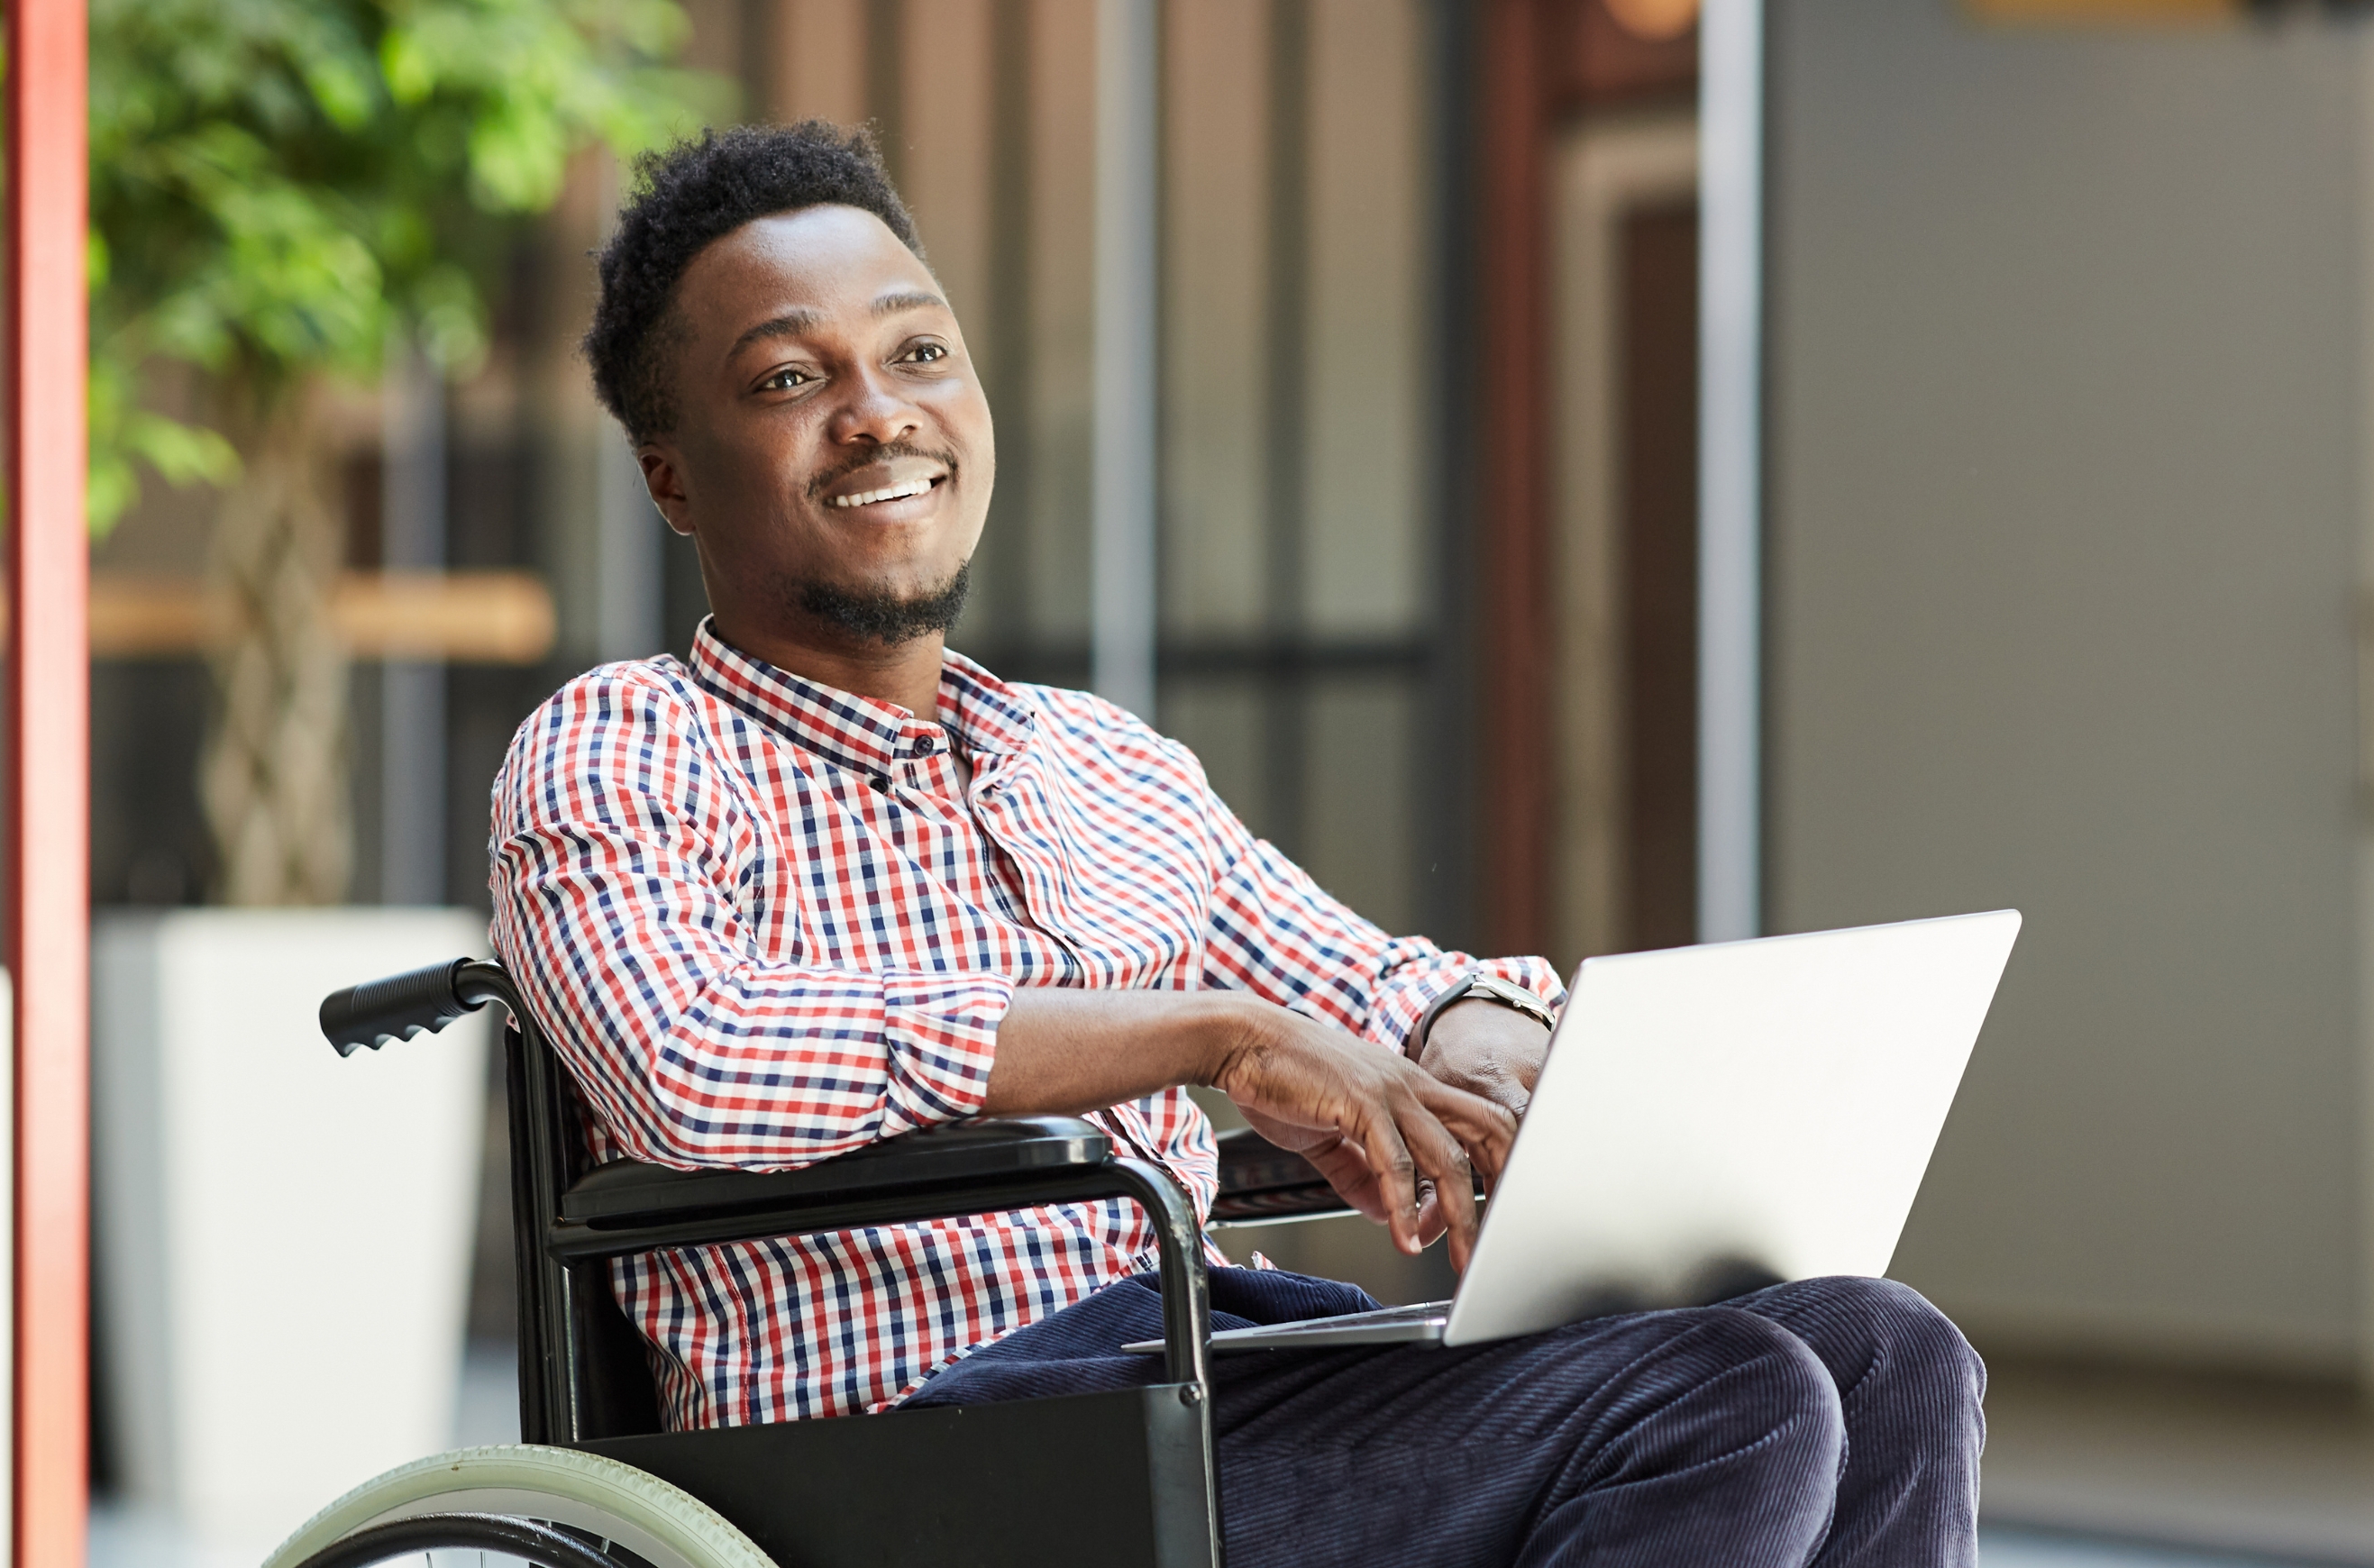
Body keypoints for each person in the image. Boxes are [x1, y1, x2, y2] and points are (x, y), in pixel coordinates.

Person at [488, 121, 1984, 1568]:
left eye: (918, 352)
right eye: (791, 378)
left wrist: (1477, 1035)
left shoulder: (1097, 761)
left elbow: (1369, 977)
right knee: (1723, 1407)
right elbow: (692, 1063)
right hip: (908, 1439)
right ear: (673, 473)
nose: (879, 412)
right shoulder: (622, 742)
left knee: (1879, 1349)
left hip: (1191, 1363)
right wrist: (1203, 1035)